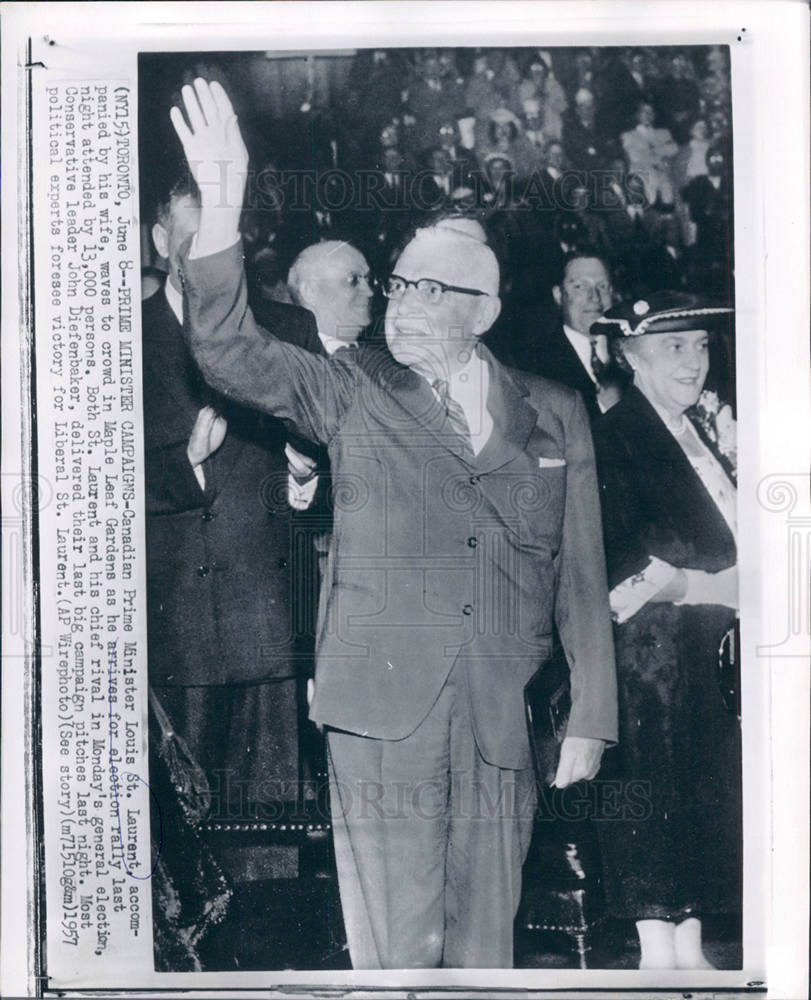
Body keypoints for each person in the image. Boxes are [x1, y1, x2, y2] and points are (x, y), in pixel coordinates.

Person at [170, 78, 618, 970]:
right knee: (396, 953)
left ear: (482, 310)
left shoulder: (556, 411)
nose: (400, 299)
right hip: (381, 712)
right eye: (398, 278)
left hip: (499, 718)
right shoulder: (351, 389)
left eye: (428, 285)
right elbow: (228, 351)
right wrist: (223, 205)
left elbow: (580, 571)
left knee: (484, 948)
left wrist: (591, 718)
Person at [590, 292, 740, 970]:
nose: (693, 361)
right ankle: (657, 950)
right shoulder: (619, 434)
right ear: (630, 357)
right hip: (648, 657)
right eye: (673, 347)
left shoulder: (699, 430)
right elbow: (621, 558)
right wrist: (713, 587)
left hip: (703, 649)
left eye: (701, 346)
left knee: (705, 787)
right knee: (655, 786)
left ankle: (688, 944)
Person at [530, 252, 626, 421]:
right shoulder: (534, 363)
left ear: (612, 293)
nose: (594, 297)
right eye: (580, 287)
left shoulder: (632, 351)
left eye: (602, 287)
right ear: (559, 295)